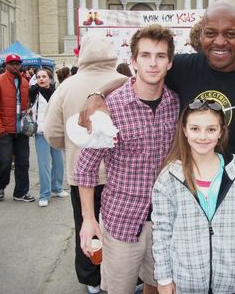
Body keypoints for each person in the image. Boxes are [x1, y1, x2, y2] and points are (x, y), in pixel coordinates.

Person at [81, 1, 235, 294]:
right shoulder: (184, 66)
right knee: (192, 279)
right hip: (190, 200)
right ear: (201, 35)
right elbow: (140, 74)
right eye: (211, 33)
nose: (220, 41)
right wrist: (96, 95)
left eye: (230, 34)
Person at [75, 24, 179, 294]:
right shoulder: (110, 108)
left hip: (166, 222)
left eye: (160, 56)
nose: (153, 63)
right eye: (145, 55)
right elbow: (85, 168)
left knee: (157, 287)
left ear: (170, 62)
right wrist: (88, 219)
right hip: (121, 221)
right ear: (133, 61)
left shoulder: (178, 105)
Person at [44, 33, 128, 294]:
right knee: (124, 229)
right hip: (122, 174)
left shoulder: (66, 86)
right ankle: (127, 277)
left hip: (81, 174)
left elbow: (52, 132)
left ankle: (93, 280)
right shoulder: (125, 82)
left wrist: (71, 146)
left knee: (86, 226)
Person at [152, 99, 235, 293]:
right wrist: (164, 278)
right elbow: (162, 231)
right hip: (186, 282)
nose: (203, 136)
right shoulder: (169, 178)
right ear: (184, 130)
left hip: (230, 281)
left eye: (211, 129)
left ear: (221, 131)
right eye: (195, 129)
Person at [0, 54, 35, 202]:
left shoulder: (25, 82)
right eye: (11, 63)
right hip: (4, 130)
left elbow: (25, 105)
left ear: (20, 65)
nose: (14, 66)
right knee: (5, 161)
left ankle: (20, 192)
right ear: (6, 65)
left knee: (23, 162)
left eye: (17, 63)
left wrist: (28, 116)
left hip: (21, 131)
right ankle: (0, 185)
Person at [29, 69, 68, 207]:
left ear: (49, 78)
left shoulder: (56, 93)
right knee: (44, 164)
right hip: (40, 132)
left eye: (44, 76)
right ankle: (44, 194)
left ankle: (57, 187)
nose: (41, 79)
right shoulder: (33, 92)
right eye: (38, 77)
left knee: (59, 162)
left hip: (55, 131)